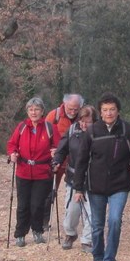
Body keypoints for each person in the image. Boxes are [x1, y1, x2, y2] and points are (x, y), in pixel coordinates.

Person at [71, 93, 130, 261]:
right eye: (105, 110)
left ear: (118, 111)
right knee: (97, 225)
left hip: (120, 185)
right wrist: (78, 188)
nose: (109, 113)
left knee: (114, 221)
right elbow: (81, 161)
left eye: (112, 109)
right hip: (95, 186)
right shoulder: (92, 131)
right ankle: (97, 258)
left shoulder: (127, 131)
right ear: (100, 112)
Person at [7, 97, 59, 247]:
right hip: (23, 171)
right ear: (27, 111)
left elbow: (58, 146)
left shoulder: (50, 128)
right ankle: (20, 234)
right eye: (31, 109)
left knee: (37, 204)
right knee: (23, 204)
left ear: (42, 111)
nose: (33, 112)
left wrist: (56, 153)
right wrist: (13, 153)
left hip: (42, 173)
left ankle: (37, 231)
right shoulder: (22, 127)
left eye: (36, 109)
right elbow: (12, 144)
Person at [52, 104, 97, 250]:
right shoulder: (72, 130)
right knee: (72, 210)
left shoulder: (100, 134)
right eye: (82, 121)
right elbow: (62, 149)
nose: (84, 124)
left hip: (93, 179)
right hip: (73, 177)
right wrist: (57, 161)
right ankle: (70, 233)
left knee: (91, 211)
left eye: (88, 121)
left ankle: (87, 240)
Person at [45, 94, 84, 243]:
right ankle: (45, 220)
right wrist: (52, 151)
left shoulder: (84, 116)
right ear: (64, 104)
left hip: (75, 163)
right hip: (58, 160)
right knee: (50, 190)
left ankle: (71, 227)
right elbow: (44, 134)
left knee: (72, 195)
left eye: (76, 109)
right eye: (70, 108)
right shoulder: (53, 116)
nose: (73, 112)